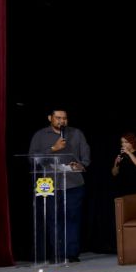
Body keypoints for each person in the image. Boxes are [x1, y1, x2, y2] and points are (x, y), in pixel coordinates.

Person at [28, 108, 91, 263]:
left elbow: (86, 156)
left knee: (72, 219)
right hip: (48, 183)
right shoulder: (40, 135)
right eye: (58, 118)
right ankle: (56, 253)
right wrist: (53, 149)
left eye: (64, 118)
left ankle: (71, 253)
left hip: (73, 183)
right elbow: (32, 158)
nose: (61, 121)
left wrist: (80, 164)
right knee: (52, 219)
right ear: (50, 118)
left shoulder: (76, 133)